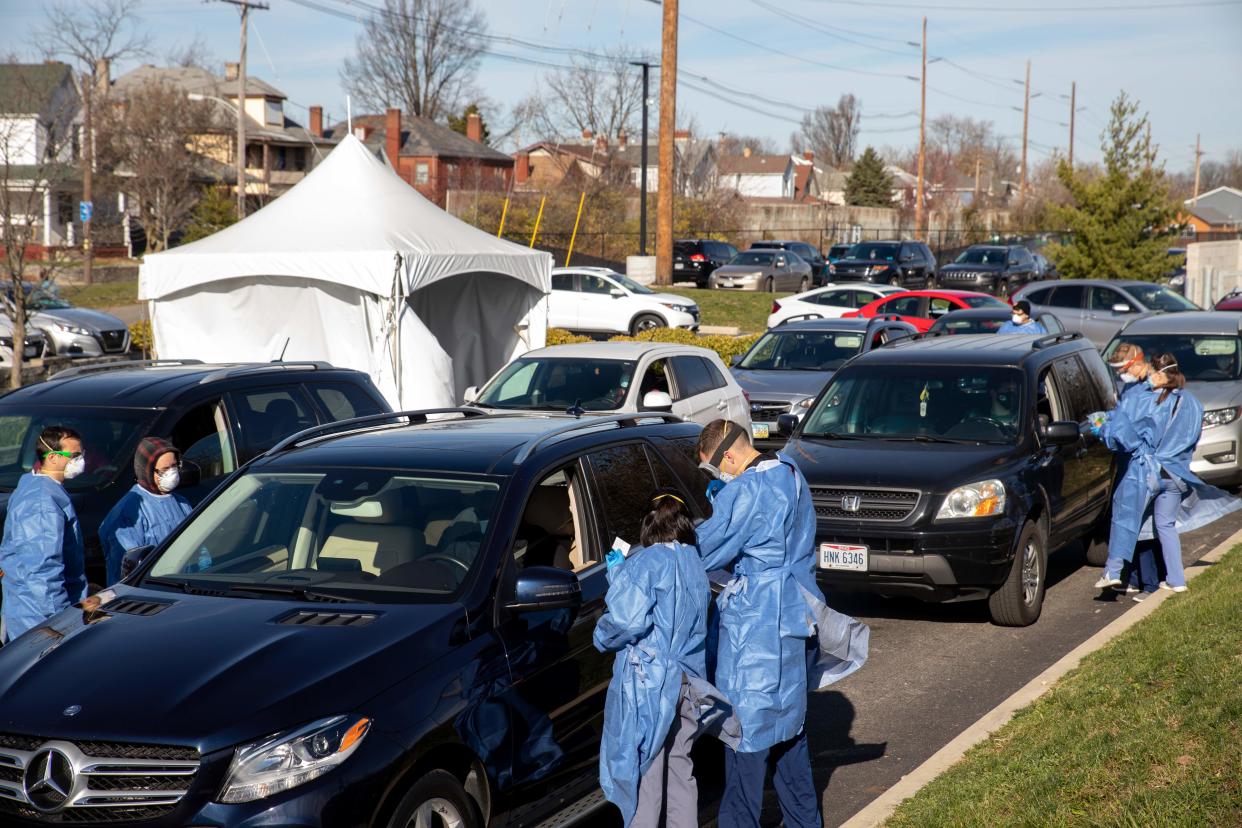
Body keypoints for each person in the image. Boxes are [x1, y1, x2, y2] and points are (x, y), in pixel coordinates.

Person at [695, 420, 869, 828]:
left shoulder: (745, 492)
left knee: (745, 741)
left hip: (755, 632)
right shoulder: (790, 474)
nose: (716, 477)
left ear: (730, 457)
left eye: (712, 469)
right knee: (790, 734)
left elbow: (702, 550)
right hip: (796, 619)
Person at [594, 492, 739, 828]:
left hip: (650, 685)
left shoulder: (645, 562)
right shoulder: (694, 562)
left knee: (644, 770)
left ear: (649, 526)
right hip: (689, 683)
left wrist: (601, 635)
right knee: (680, 766)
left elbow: (629, 621)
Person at [1092, 353, 1241, 592]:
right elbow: (1192, 438)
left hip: (1144, 472)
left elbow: (1124, 437)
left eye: (1153, 372)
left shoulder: (1145, 401)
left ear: (1159, 373)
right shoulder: (1191, 402)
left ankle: (1113, 571)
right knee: (1165, 526)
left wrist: (1102, 429)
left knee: (1125, 517)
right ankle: (1176, 580)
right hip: (1175, 474)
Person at [0, 426, 88, 643]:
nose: (81, 461)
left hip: (34, 612)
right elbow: (42, 570)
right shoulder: (41, 502)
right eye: (75, 456)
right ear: (54, 457)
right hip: (39, 619)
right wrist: (60, 620)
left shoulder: (41, 487)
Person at [99, 437, 194, 586]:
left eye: (174, 466)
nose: (172, 473)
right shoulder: (129, 511)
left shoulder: (181, 502)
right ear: (147, 471)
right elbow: (127, 570)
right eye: (164, 470)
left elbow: (198, 547)